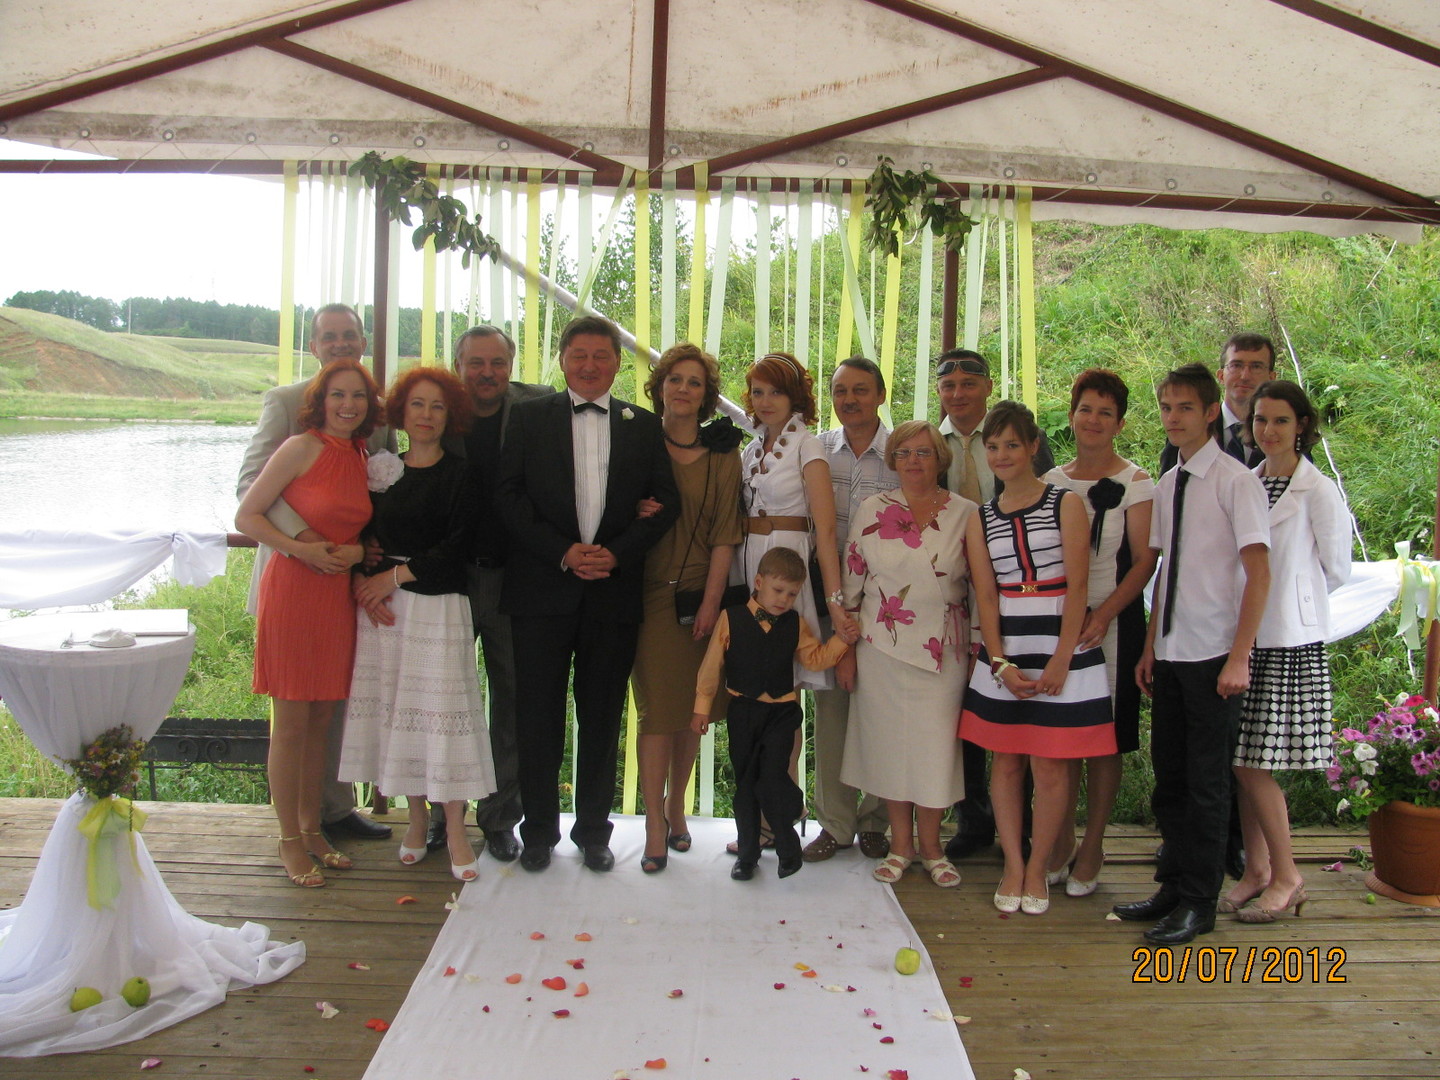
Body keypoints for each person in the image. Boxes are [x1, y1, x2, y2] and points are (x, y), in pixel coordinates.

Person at [495, 314, 680, 873]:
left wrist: (617, 553)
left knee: (601, 717)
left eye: (602, 355)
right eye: (579, 355)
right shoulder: (528, 418)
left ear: (618, 363)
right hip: (541, 592)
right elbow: (508, 497)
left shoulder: (643, 425)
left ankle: (595, 832)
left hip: (612, 594)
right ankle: (538, 833)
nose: (590, 365)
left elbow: (666, 504)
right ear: (562, 360)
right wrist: (563, 551)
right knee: (537, 717)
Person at [1115, 363, 1270, 946]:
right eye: (1166, 408)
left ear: (1210, 412)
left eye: (1185, 407)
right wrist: (1150, 646)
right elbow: (1164, 571)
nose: (1174, 418)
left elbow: (1259, 574)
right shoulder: (1168, 482)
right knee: (1171, 778)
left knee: (1208, 783)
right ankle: (1173, 886)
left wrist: (1239, 656)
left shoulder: (1236, 481)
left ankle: (1200, 901)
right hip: (1172, 651)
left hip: (1214, 654)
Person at [236, 303, 392, 846]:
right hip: (295, 577)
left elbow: (379, 500)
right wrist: (305, 542)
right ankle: (299, 831)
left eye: (350, 335)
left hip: (342, 585)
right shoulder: (286, 405)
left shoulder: (372, 417)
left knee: (331, 710)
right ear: (314, 346)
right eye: (330, 336)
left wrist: (361, 552)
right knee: (295, 718)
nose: (341, 343)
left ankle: (329, 813)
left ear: (363, 342)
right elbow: (250, 488)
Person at [339, 367, 498, 882]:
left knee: (441, 715)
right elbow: (362, 535)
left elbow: (458, 545)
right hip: (385, 611)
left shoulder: (464, 474)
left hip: (439, 605)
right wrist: (365, 579)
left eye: (437, 406)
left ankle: (455, 828)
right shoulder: (381, 469)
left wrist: (390, 578)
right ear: (400, 413)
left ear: (450, 414)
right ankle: (415, 819)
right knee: (397, 713)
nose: (426, 415)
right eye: (417, 404)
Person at [959, 401, 1114, 915]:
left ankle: (1040, 866)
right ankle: (1013, 864)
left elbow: (1078, 587)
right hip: (1008, 645)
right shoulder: (980, 517)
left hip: (1059, 643)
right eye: (993, 446)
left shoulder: (1065, 503)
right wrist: (999, 662)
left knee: (1050, 766)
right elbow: (986, 596)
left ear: (1032, 447)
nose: (1001, 455)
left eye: (1011, 445)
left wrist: (1062, 659)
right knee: (1005, 762)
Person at [418, 325, 552, 861]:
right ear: (458, 365)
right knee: (441, 702)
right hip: (445, 582)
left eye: (497, 362)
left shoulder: (540, 406)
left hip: (511, 580)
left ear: (511, 364)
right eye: (475, 363)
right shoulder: (436, 409)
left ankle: (499, 818)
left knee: (512, 703)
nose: (487, 373)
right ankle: (439, 815)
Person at [1226, 380, 1349, 922]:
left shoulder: (1317, 489)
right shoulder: (1248, 482)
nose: (1269, 430)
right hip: (1244, 636)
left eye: (1280, 420)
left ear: (1301, 425)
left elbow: (1337, 568)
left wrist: (1295, 597)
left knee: (1255, 763)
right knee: (1241, 760)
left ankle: (1288, 874)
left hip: (1288, 640)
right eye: (1260, 420)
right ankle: (1257, 870)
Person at [839, 421, 974, 888]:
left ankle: (933, 847)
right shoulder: (872, 509)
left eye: (923, 452)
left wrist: (983, 651)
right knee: (891, 748)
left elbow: (981, 589)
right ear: (893, 459)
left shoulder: (965, 513)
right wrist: (845, 650)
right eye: (904, 452)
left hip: (946, 650)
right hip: (880, 645)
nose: (913, 461)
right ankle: (901, 845)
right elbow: (851, 584)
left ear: (941, 458)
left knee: (935, 749)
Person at [628, 343, 744, 873]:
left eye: (695, 382)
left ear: (706, 395)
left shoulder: (723, 453)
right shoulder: (637, 441)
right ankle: (654, 821)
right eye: (675, 378)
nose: (683, 389)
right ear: (660, 387)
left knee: (692, 709)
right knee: (657, 711)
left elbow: (726, 534)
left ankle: (678, 807)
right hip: (647, 592)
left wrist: (713, 604)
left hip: (701, 592)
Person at [935, 349, 1054, 863]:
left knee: (1016, 708)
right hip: (950, 592)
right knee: (961, 708)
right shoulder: (931, 444)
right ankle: (973, 819)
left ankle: (1020, 828)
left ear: (987, 387)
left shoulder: (1016, 436)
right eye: (949, 385)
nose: (958, 393)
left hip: (1018, 593)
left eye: (969, 383)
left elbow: (1046, 504)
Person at [1042, 370, 1157, 896]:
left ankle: (1094, 843)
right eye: (1085, 409)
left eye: (1105, 413)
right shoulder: (1050, 480)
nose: (1093, 420)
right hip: (1059, 620)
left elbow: (1144, 560)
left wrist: (1104, 614)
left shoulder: (1137, 482)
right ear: (1071, 416)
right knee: (1063, 734)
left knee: (1105, 738)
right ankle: (1061, 838)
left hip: (1114, 620)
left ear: (1120, 424)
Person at [692, 547, 852, 881]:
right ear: (759, 582)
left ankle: (788, 846)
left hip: (781, 712)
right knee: (746, 787)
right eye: (778, 590)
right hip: (744, 711)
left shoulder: (795, 623)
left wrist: (842, 641)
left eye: (792, 594)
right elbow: (711, 666)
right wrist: (701, 708)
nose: (784, 600)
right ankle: (747, 855)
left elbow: (814, 659)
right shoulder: (731, 618)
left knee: (772, 777)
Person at [802, 357, 898, 865]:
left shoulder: (902, 453)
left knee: (880, 713)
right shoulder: (817, 451)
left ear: (881, 394)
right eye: (841, 391)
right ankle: (835, 825)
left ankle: (876, 821)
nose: (850, 400)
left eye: (861, 390)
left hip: (887, 606)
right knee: (833, 714)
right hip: (829, 599)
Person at [1159, 332, 1276, 474]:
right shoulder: (1189, 429)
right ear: (1221, 376)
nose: (1245, 376)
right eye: (1236, 365)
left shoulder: (1281, 432)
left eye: (1256, 367)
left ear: (1272, 378)